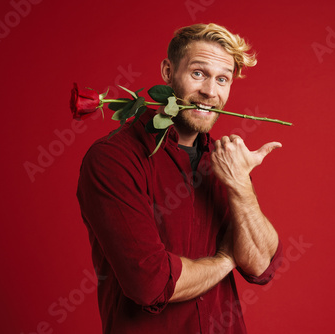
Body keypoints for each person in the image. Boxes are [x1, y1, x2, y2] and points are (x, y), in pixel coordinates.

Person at [77, 23, 283, 334]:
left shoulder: (225, 162)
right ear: (167, 71)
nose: (210, 92)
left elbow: (260, 265)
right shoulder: (113, 159)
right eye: (199, 73)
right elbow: (151, 283)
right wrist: (227, 260)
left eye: (222, 79)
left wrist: (240, 185)